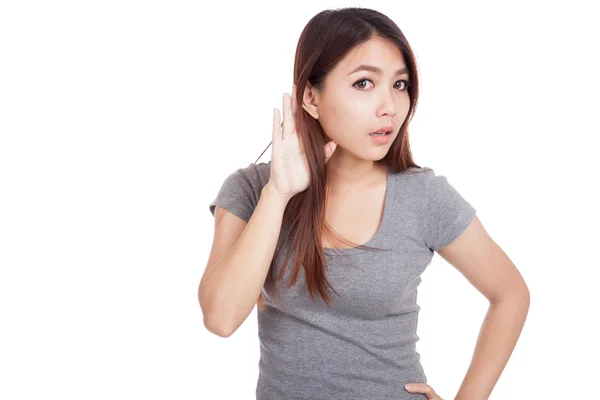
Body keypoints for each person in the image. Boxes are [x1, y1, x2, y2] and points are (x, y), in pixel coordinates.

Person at [199, 7, 530, 400]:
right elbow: (220, 318)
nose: (389, 105)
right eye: (363, 84)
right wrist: (278, 194)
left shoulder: (424, 197)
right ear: (310, 97)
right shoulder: (252, 189)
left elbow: (511, 294)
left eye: (400, 84)